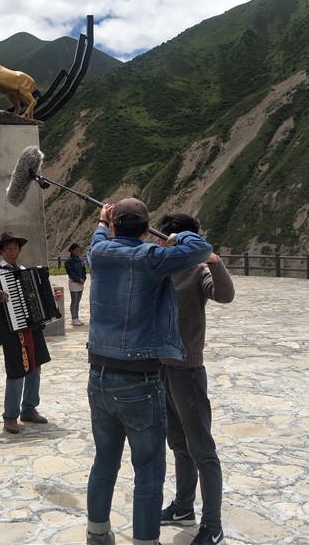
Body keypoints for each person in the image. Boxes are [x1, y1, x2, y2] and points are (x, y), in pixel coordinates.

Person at [85, 198, 212, 545]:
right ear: (145, 229)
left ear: (114, 227)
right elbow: (202, 248)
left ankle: (97, 535)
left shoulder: (99, 253)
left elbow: (98, 237)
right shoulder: (151, 258)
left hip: (99, 377)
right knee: (148, 470)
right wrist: (176, 238)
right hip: (139, 379)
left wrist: (102, 221)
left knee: (104, 462)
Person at [156, 213, 234, 545]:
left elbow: (225, 295)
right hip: (161, 368)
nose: (159, 241)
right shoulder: (160, 266)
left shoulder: (198, 269)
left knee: (202, 449)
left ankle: (213, 526)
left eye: (164, 237)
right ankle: (183, 507)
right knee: (178, 443)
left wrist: (211, 259)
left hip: (187, 370)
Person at [0, 231, 51, 434]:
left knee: (35, 366)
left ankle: (29, 408)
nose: (12, 251)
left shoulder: (24, 270)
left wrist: (51, 297)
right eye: (8, 248)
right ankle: (10, 416)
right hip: (11, 329)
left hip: (31, 327)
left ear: (19, 250)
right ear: (1, 251)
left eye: (15, 247)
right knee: (16, 371)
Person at [65, 243, 87, 326]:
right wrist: (78, 279)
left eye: (79, 251)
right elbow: (70, 273)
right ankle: (73, 318)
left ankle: (77, 317)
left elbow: (84, 270)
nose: (78, 252)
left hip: (81, 282)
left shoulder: (80, 259)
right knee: (74, 300)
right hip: (74, 282)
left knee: (78, 301)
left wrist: (84, 278)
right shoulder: (68, 261)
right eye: (76, 250)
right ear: (71, 250)